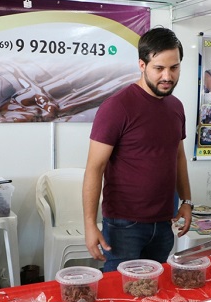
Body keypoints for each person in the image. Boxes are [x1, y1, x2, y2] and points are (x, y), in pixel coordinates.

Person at [82, 27, 192, 272]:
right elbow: (94, 168)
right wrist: (90, 224)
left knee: (153, 294)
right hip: (124, 225)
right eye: (159, 68)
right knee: (121, 298)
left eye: (174, 68)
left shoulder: (176, 107)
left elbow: (178, 156)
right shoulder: (117, 107)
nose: (167, 76)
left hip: (164, 222)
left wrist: (186, 201)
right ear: (142, 65)